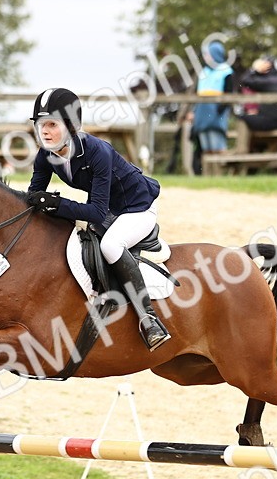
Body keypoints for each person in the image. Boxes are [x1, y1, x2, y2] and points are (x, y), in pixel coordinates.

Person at [24, 88, 170, 351]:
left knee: (110, 246)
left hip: (137, 208)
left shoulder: (97, 151)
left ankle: (149, 319)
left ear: (71, 126)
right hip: (109, 209)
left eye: (51, 125)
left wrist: (57, 204)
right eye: (39, 125)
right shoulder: (45, 156)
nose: (44, 132)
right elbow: (33, 196)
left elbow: (97, 212)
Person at [188, 41, 234, 157]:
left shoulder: (226, 71)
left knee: (217, 147)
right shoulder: (204, 72)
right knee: (206, 150)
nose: (206, 57)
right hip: (202, 114)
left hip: (217, 114)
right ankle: (208, 169)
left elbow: (229, 94)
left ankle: (220, 169)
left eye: (208, 54)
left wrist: (219, 111)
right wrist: (193, 112)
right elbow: (198, 94)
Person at [237, 57, 277, 132]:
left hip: (270, 123)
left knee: (241, 117)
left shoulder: (269, 81)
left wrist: (254, 69)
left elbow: (245, 80)